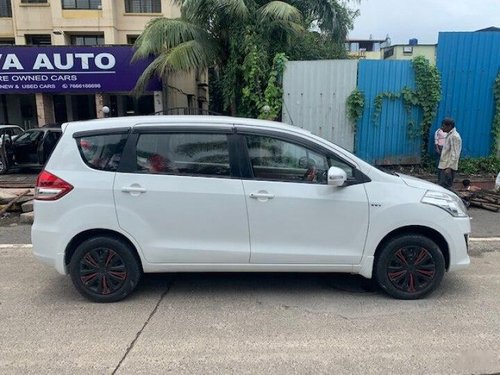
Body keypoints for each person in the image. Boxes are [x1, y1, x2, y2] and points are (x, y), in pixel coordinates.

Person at [438, 118, 462, 191]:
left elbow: (455, 153)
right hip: (444, 166)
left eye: (443, 126)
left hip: (448, 167)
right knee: (442, 186)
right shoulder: (450, 135)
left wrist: (449, 167)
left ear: (449, 126)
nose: (442, 128)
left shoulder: (454, 136)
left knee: (446, 188)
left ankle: (462, 201)